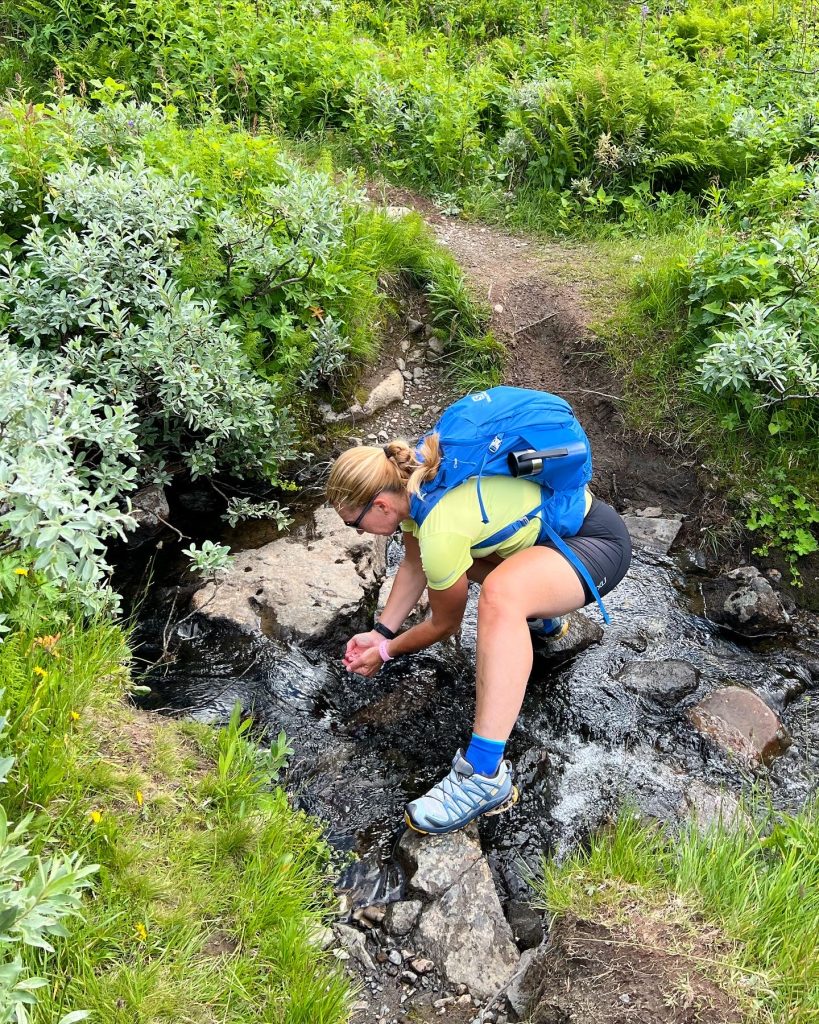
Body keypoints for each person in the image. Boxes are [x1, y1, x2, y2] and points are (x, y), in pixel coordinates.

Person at [326, 419, 632, 836]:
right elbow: (414, 564)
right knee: (464, 566)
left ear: (380, 506)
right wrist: (381, 631)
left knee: (500, 598)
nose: (357, 531)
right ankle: (545, 618)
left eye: (353, 523)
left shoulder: (440, 525)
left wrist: (385, 652)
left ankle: (484, 775)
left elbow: (445, 624)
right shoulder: (415, 484)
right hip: (551, 535)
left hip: (594, 544)